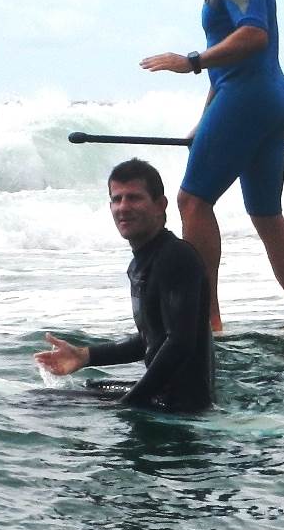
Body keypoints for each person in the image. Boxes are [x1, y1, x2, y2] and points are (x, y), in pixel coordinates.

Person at [138, 0, 284, 333]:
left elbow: (254, 36)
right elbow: (229, 70)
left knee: (192, 201)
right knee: (265, 212)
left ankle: (206, 320)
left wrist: (192, 61)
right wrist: (205, 121)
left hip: (249, 98)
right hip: (267, 98)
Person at [35, 158, 214, 414]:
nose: (123, 207)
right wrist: (86, 356)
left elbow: (180, 343)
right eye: (116, 199)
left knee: (42, 403)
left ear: (160, 205)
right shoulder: (145, 261)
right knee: (83, 389)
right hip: (165, 397)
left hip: (181, 406)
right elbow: (152, 339)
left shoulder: (176, 257)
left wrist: (128, 405)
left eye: (134, 198)